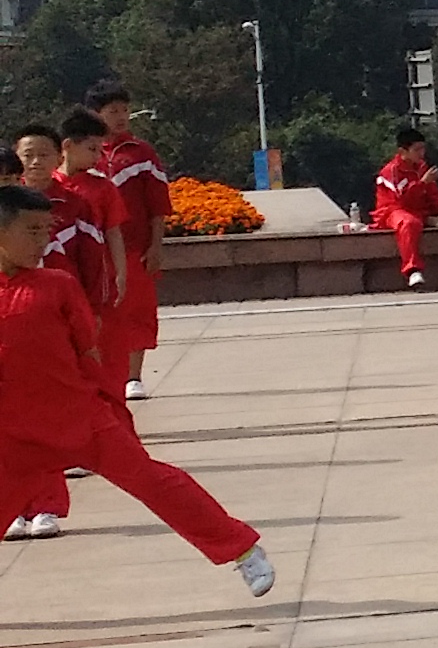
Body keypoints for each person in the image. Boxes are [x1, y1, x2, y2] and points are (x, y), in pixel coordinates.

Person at [0, 185, 272, 587]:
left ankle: (242, 548)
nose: (43, 241)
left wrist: (103, 406)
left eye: (46, 231)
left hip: (79, 418)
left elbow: (88, 351)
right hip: (14, 432)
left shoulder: (57, 285)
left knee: (154, 481)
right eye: (32, 231)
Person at [86, 81, 168, 400]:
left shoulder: (141, 153)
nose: (120, 117)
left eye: (124, 110)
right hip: (93, 250)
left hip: (135, 248)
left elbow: (158, 204)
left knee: (136, 309)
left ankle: (133, 377)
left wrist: (157, 244)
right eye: (112, 111)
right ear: (96, 114)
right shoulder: (86, 154)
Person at [22, 116, 121, 314]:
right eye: (27, 155)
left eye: (43, 155)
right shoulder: (7, 205)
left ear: (59, 157)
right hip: (18, 303)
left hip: (66, 303)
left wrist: (94, 308)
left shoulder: (77, 205)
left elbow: (93, 257)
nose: (35, 162)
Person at [372, 126, 438, 287]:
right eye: (417, 149)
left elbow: (433, 194)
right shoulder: (391, 171)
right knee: (409, 223)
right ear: (402, 151)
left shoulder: (422, 167)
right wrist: (422, 183)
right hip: (393, 211)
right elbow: (401, 200)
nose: (421, 153)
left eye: (423, 148)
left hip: (419, 211)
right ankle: (412, 270)